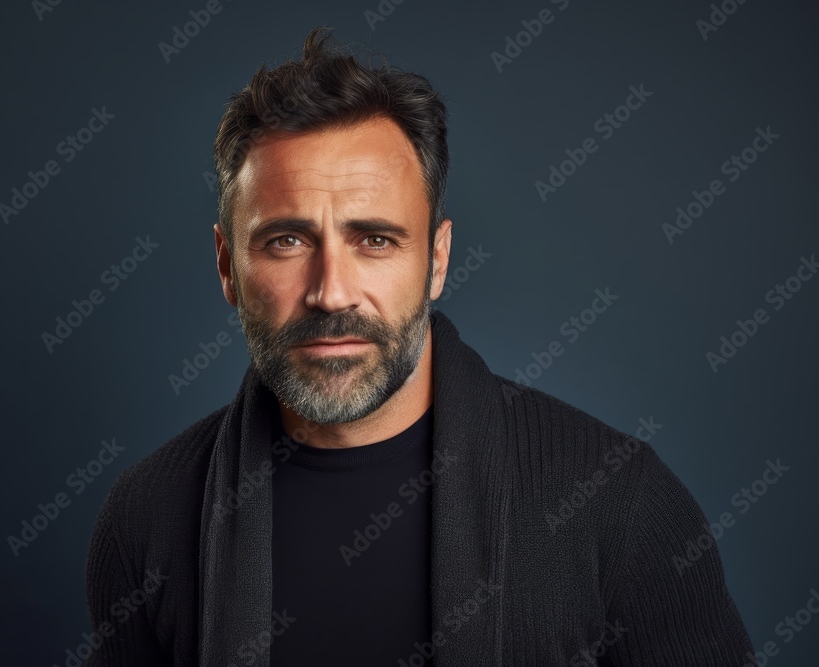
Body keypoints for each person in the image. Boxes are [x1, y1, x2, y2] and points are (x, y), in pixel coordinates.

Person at [84, 26, 753, 666]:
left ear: (436, 261)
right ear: (228, 266)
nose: (331, 291)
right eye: (286, 240)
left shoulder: (618, 502)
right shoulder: (149, 517)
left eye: (375, 239)